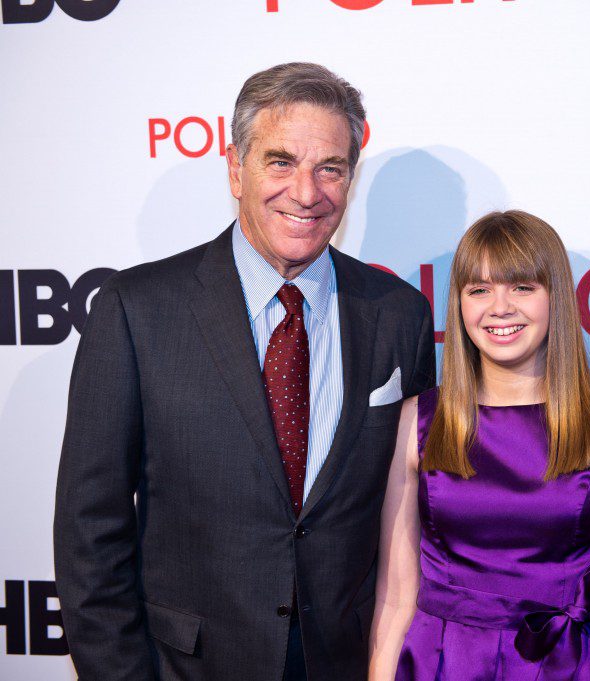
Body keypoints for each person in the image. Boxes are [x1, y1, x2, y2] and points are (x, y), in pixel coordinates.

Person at [53, 62, 436, 681]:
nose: (306, 192)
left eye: (329, 168)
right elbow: (89, 528)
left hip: (347, 662)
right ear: (236, 167)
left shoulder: (398, 316)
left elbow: (419, 510)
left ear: (351, 177)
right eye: (280, 162)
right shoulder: (136, 310)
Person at [367, 210, 590, 680]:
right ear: (459, 305)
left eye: (522, 287)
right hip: (441, 664)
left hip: (573, 665)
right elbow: (395, 597)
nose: (500, 307)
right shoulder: (417, 422)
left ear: (556, 299)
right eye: (479, 290)